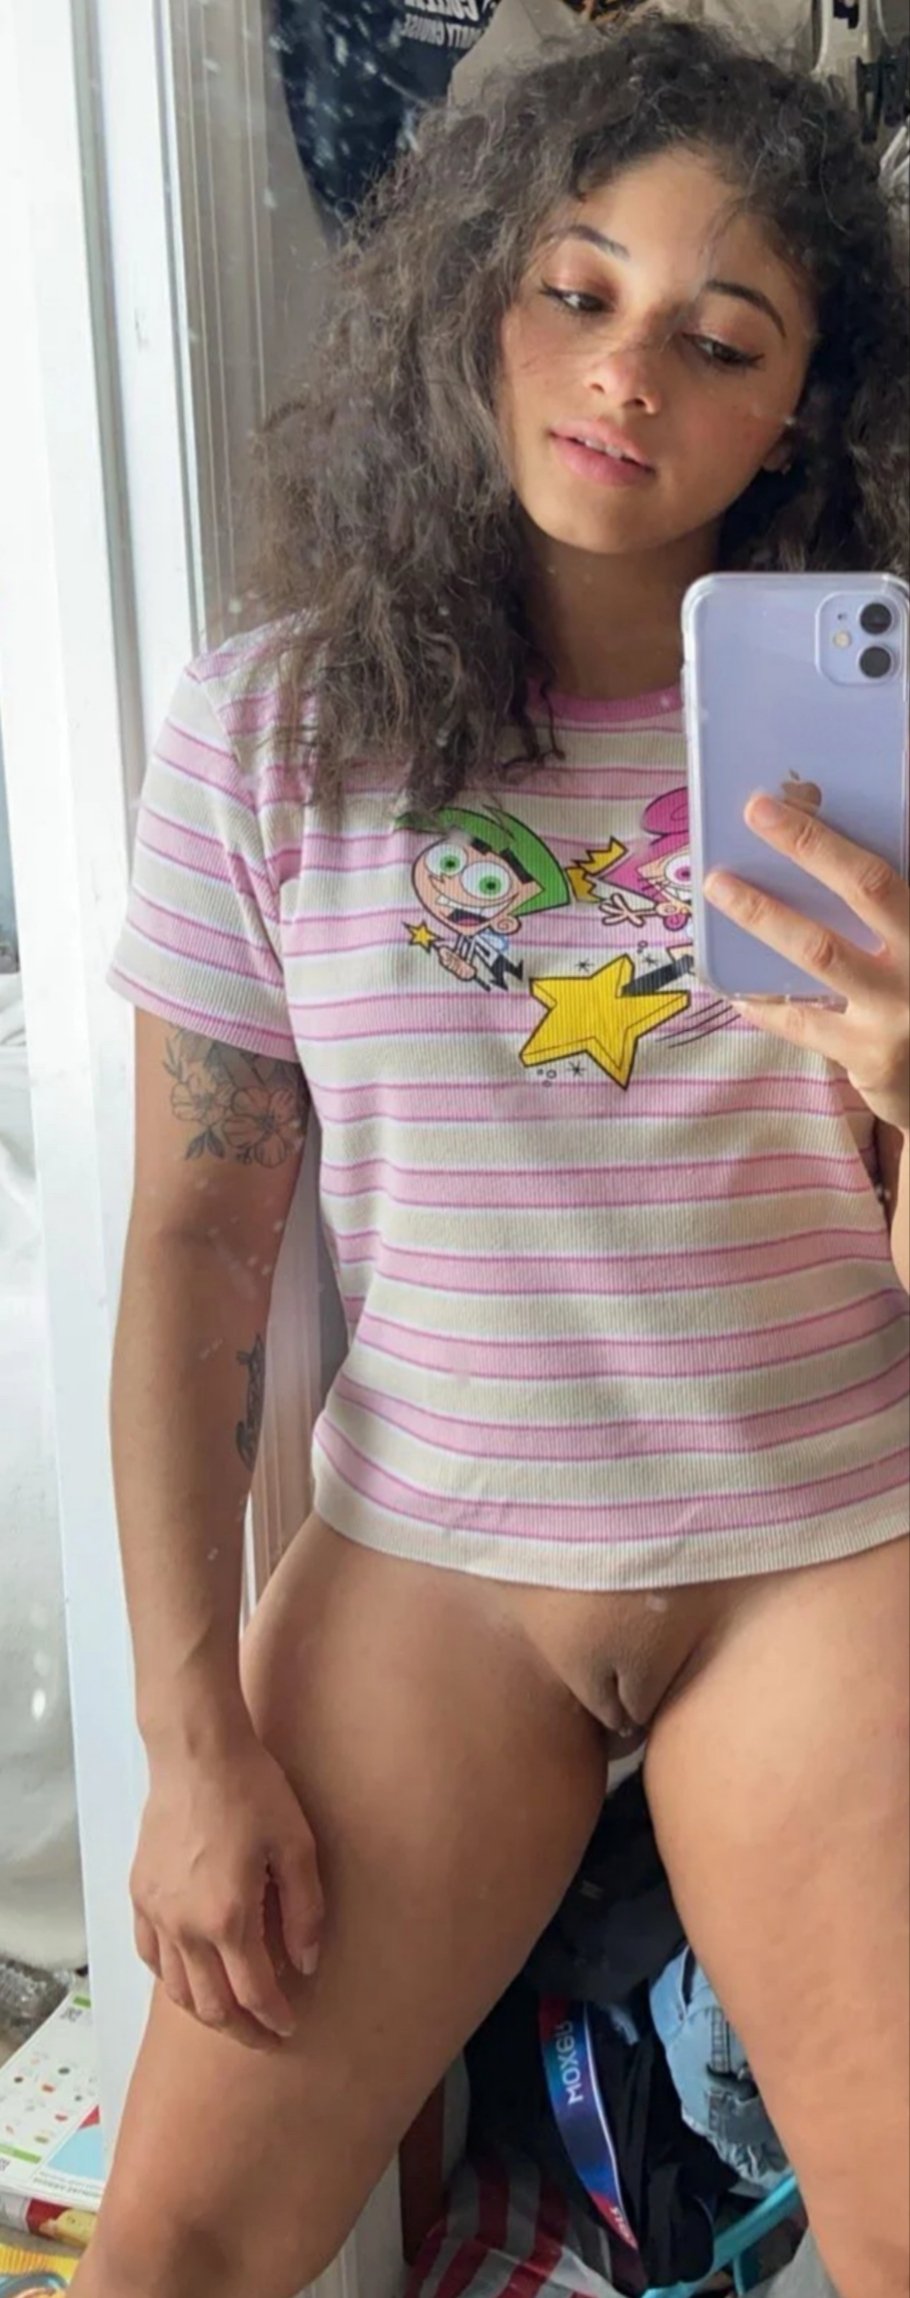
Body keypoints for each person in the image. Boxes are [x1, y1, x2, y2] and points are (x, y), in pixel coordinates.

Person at [72, 15, 909, 2298]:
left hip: (822, 1544)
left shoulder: (883, 750)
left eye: (717, 338)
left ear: (797, 410)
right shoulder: (269, 727)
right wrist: (189, 1740)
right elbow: (191, 1241)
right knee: (169, 2257)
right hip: (432, 1573)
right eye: (575, 288)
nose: (625, 372)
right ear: (476, 293)